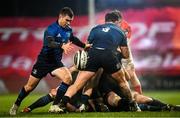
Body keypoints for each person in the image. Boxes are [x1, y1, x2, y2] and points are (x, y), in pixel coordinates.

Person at [9, 7, 90, 115]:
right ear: (60, 16)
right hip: (43, 62)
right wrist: (62, 45)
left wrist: (84, 45)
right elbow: (48, 42)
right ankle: (16, 105)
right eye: (67, 20)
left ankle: (55, 106)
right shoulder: (51, 29)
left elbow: (73, 39)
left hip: (55, 63)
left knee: (68, 78)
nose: (68, 23)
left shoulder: (68, 30)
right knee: (29, 87)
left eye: (70, 21)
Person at [60, 11, 140, 113]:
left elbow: (87, 47)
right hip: (109, 55)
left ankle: (62, 103)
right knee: (123, 82)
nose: (120, 24)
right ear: (117, 21)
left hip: (93, 55)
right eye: (120, 23)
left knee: (78, 84)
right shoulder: (120, 31)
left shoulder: (95, 29)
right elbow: (125, 55)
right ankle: (133, 105)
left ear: (106, 21)